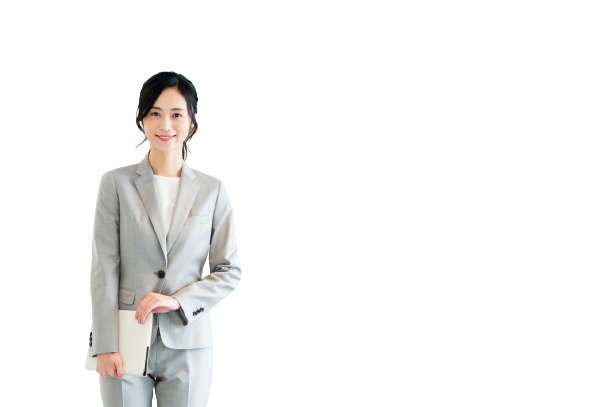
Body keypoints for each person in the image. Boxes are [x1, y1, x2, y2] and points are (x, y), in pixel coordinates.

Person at [90, 71, 241, 406]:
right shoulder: (115, 183)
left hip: (189, 342)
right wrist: (104, 344)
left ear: (192, 120)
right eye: (155, 113)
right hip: (124, 340)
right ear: (142, 119)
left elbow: (228, 270)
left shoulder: (213, 190)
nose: (165, 125)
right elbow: (104, 268)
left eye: (176, 114)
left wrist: (178, 301)